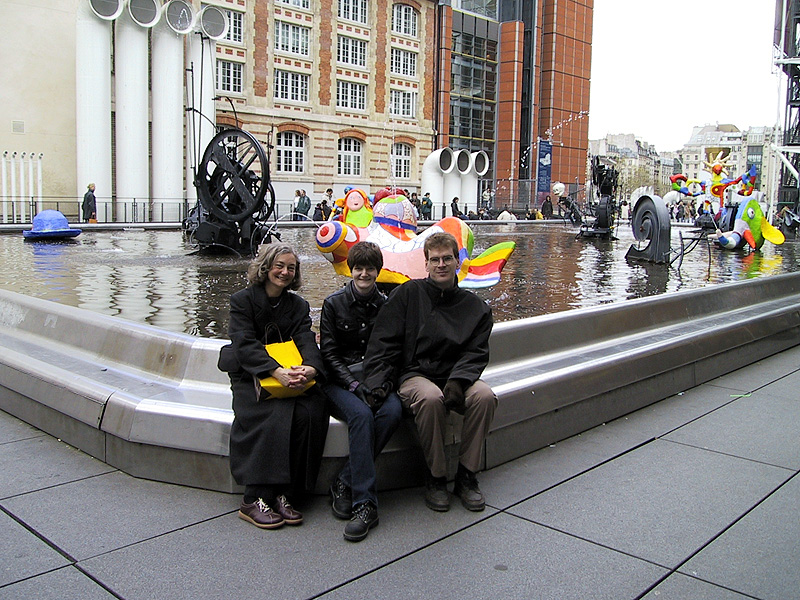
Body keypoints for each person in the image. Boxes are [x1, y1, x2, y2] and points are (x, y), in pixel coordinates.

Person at [363, 232, 497, 513]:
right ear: (425, 264)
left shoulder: (476, 308)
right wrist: (377, 383)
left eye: (447, 258)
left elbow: (476, 352)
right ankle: (436, 477)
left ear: (457, 261)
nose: (441, 264)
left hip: (457, 376)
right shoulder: (407, 295)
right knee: (430, 398)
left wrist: (459, 381)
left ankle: (466, 476)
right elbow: (383, 342)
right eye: (434, 260)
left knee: (484, 396)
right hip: (415, 374)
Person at [218, 243, 328, 530]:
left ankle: (285, 493)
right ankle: (254, 497)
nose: (285, 272)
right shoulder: (242, 300)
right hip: (250, 375)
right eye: (280, 265)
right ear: (266, 267)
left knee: (311, 409)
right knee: (273, 413)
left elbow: (306, 337)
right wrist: (274, 371)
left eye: (291, 267)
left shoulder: (298, 305)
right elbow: (243, 342)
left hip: (287, 375)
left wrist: (311, 367)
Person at [320, 242, 403, 542]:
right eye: (359, 268)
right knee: (362, 416)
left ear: (378, 271)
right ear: (350, 270)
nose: (364, 274)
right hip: (339, 383)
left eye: (370, 268)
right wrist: (355, 387)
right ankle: (365, 504)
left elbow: (394, 352)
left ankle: (343, 480)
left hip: (375, 382)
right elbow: (328, 354)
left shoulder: (387, 306)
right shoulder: (333, 304)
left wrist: (383, 386)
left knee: (394, 410)